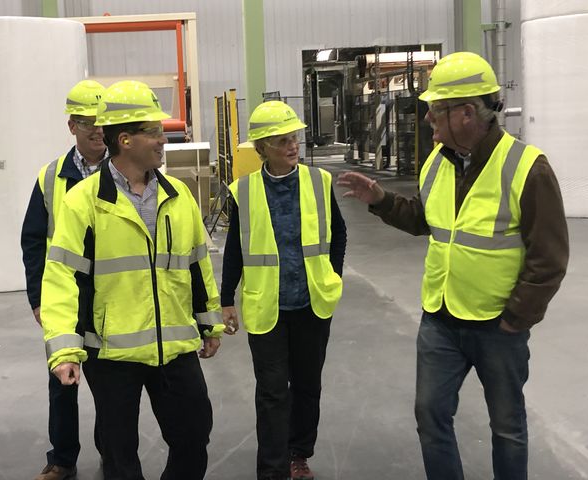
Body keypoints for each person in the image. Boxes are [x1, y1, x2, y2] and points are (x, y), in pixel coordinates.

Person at [337, 51, 569, 480]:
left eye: (435, 111)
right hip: (441, 318)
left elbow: (549, 257)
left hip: (498, 324)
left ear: (466, 114)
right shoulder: (436, 163)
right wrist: (382, 201)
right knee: (431, 416)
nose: (427, 120)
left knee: (508, 427)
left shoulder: (526, 169)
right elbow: (426, 220)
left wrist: (517, 319)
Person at [39, 80, 224, 480]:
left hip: (174, 345)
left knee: (194, 435)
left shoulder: (179, 196)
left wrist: (209, 322)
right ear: (125, 139)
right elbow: (61, 278)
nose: (163, 139)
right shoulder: (83, 201)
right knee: (119, 454)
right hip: (111, 352)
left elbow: (197, 266)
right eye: (153, 132)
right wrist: (64, 348)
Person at [221, 100, 346, 480]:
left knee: (307, 386)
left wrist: (331, 275)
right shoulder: (243, 191)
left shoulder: (318, 181)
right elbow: (234, 249)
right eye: (281, 141)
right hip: (267, 307)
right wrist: (226, 299)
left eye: (294, 138)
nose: (292, 146)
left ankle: (299, 455)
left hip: (312, 304)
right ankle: (273, 469)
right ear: (261, 149)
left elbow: (338, 234)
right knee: (273, 392)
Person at [21, 79, 107, 480]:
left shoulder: (122, 170)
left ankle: (115, 450)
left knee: (112, 384)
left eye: (102, 120)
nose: (96, 129)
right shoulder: (51, 176)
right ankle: (62, 460)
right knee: (63, 381)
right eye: (86, 121)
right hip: (67, 296)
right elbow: (34, 241)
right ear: (71, 125)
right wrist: (39, 298)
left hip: (112, 294)